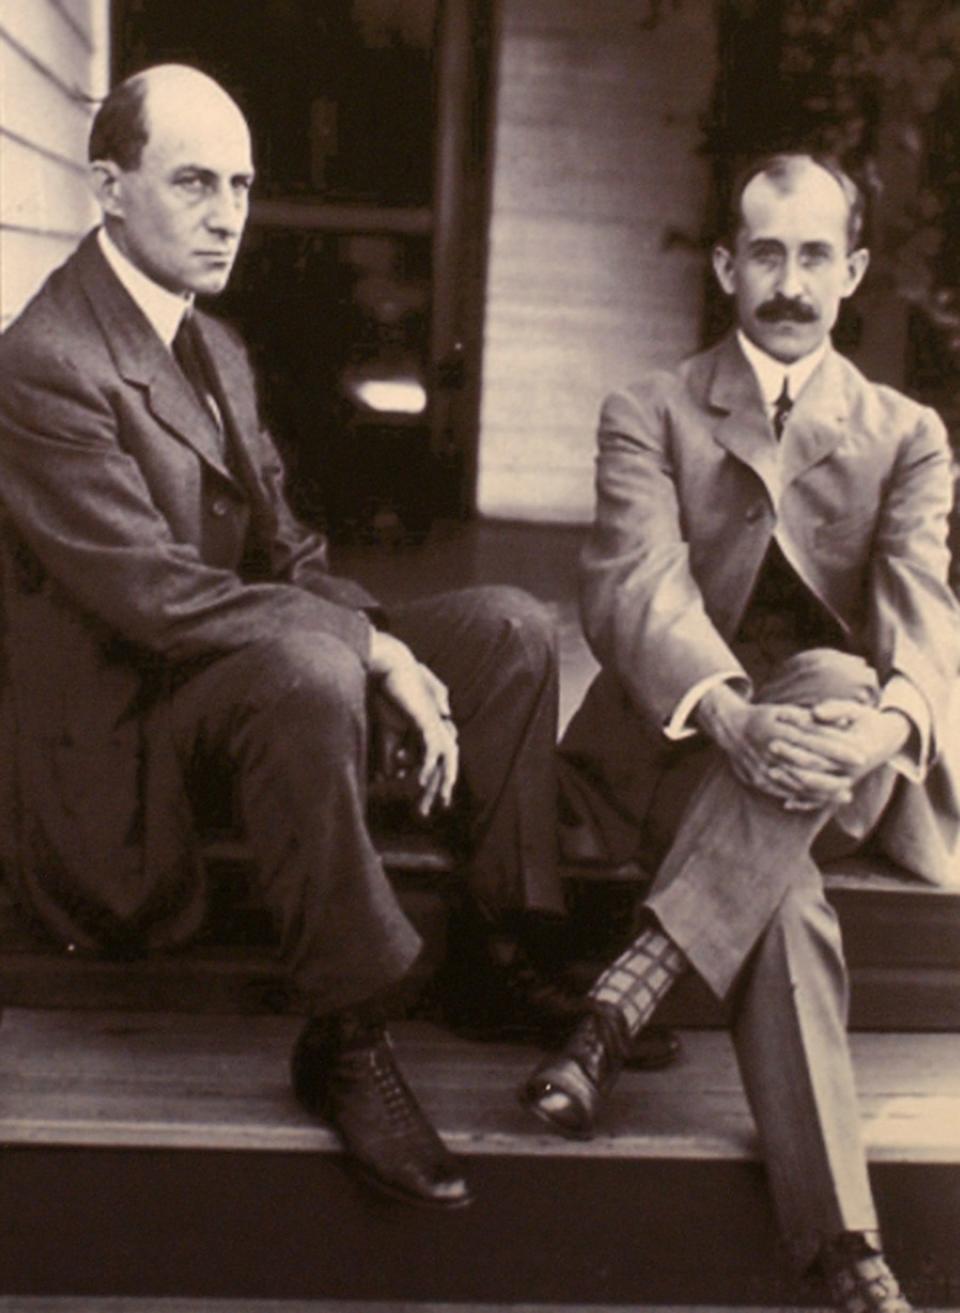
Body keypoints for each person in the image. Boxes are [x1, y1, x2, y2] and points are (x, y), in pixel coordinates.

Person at [0, 62, 587, 1212]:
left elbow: (290, 556)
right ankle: (347, 1031)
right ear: (109, 188)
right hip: (124, 761)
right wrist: (368, 651)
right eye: (193, 183)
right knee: (310, 659)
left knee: (510, 628)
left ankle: (494, 950)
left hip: (236, 693)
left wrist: (393, 640)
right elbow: (157, 598)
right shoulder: (44, 363)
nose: (228, 214)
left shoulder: (212, 345)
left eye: (243, 184)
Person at [524, 152, 960, 1311]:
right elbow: (633, 589)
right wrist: (725, 708)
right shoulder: (651, 411)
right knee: (792, 905)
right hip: (682, 747)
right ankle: (843, 1247)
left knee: (832, 673)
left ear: (853, 269)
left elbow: (924, 608)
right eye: (767, 251)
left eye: (817, 254)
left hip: (840, 760)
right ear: (727, 266)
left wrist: (891, 729)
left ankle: (628, 987)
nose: (791, 280)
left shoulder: (906, 431)